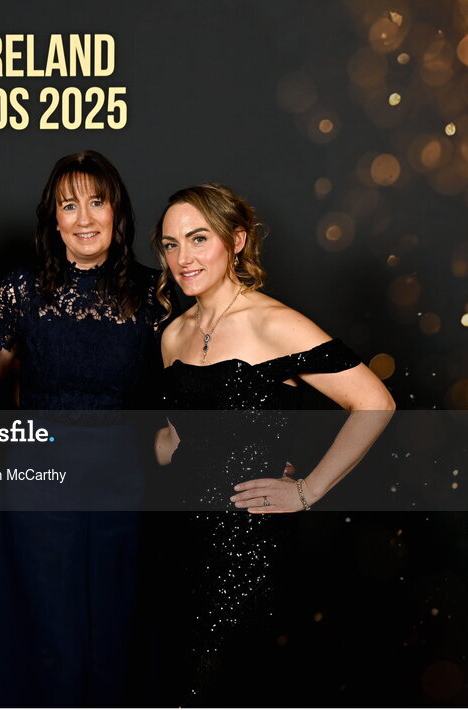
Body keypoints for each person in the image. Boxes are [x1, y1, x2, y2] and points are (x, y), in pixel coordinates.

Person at [151, 183, 395, 701]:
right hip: (177, 540)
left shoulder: (275, 324)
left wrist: (306, 491)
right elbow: (176, 437)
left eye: (198, 239)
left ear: (235, 241)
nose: (182, 257)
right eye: (171, 244)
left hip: (247, 546)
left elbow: (375, 402)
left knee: (228, 685)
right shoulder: (173, 335)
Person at [0, 150, 171, 706]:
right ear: (53, 217)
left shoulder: (156, 291)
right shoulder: (21, 287)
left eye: (97, 201)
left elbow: (192, 384)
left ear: (117, 212)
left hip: (126, 477)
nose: (84, 218)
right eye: (69, 205)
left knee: (117, 619)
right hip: (37, 474)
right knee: (44, 620)